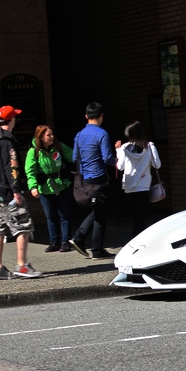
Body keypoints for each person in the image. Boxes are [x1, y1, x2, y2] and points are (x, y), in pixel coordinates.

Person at [0, 105, 42, 279]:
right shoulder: (8, 141)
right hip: (8, 190)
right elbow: (13, 168)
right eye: (15, 117)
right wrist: (16, 190)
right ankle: (22, 265)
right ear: (11, 120)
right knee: (23, 226)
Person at [69, 102, 116, 259]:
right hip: (99, 178)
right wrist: (117, 157)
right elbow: (107, 158)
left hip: (83, 178)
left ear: (86, 116)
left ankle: (86, 242)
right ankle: (90, 245)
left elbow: (74, 157)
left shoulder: (79, 135)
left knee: (98, 210)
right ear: (101, 116)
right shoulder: (102, 134)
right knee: (101, 212)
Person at [25, 125, 74, 253]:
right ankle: (54, 242)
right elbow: (30, 171)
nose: (52, 137)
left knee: (64, 215)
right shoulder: (34, 151)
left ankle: (66, 241)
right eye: (48, 135)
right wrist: (33, 186)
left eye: (52, 134)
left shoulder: (58, 146)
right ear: (40, 137)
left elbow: (73, 156)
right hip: (45, 188)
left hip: (62, 184)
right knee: (50, 216)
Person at [114, 121, 162, 238]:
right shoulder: (149, 146)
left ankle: (135, 237)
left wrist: (118, 150)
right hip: (143, 185)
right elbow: (157, 165)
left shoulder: (124, 147)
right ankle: (137, 238)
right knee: (141, 215)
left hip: (129, 186)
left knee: (135, 214)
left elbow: (120, 167)